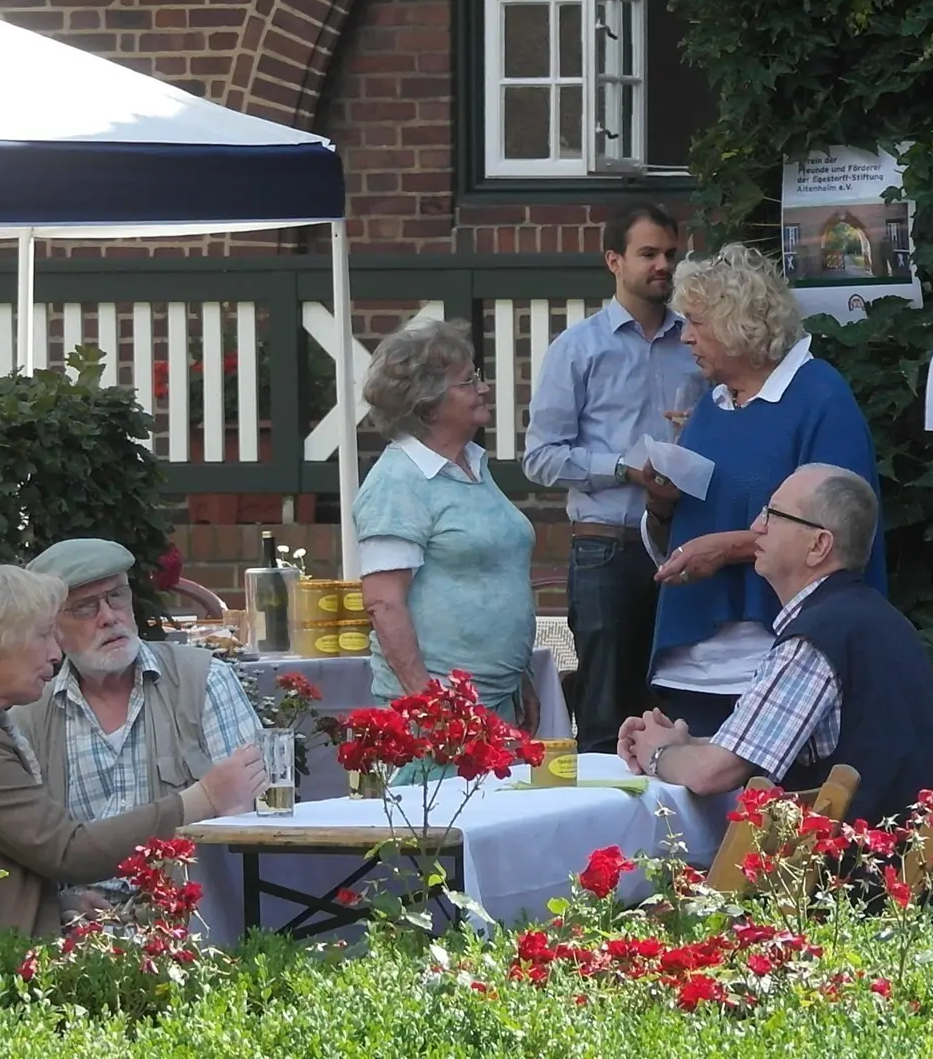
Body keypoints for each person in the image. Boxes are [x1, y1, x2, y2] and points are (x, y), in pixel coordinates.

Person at [0, 564, 267, 935]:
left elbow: (3, 846)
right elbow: (68, 851)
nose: (55, 653)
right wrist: (204, 797)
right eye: (43, 636)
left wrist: (61, 904)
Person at [619, 465, 933, 836]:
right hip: (913, 875)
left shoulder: (816, 640)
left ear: (818, 545)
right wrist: (684, 744)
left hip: (855, 883)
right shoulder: (875, 620)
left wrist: (657, 753)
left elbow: (712, 773)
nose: (757, 526)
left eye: (774, 514)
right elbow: (753, 746)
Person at [642, 244, 885, 736]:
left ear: (737, 322)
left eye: (696, 322)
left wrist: (727, 547)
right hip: (693, 665)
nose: (685, 337)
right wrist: (661, 506)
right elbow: (685, 530)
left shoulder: (820, 398)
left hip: (782, 663)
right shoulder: (710, 407)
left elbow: (838, 537)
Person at [523, 203, 703, 752]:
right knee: (604, 713)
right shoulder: (578, 348)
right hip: (608, 545)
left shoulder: (696, 344)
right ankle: (599, 835)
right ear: (613, 261)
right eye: (648, 254)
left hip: (685, 545)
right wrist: (622, 468)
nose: (663, 266)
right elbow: (541, 457)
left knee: (678, 705)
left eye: (670, 254)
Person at [354, 319, 538, 727]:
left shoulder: (474, 465)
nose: (484, 388)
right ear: (428, 404)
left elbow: (496, 575)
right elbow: (383, 603)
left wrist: (519, 679)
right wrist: (429, 705)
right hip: (435, 720)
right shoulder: (397, 481)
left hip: (495, 704)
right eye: (468, 381)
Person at [14, 538, 264, 827]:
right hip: (84, 874)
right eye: (84, 608)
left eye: (116, 596)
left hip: (189, 873)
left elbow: (255, 815)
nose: (108, 617)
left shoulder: (204, 680)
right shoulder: (29, 716)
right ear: (52, 627)